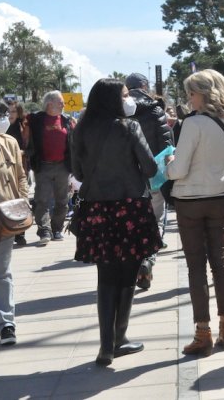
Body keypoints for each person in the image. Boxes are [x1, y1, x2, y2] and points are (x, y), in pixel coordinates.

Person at [71, 79, 161, 366]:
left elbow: (77, 172)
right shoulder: (129, 127)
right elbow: (149, 167)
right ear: (113, 100)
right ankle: (119, 338)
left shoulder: (81, 129)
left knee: (105, 277)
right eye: (124, 95)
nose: (129, 100)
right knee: (128, 275)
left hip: (98, 209)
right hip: (131, 206)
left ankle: (106, 346)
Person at [165, 69, 224, 357]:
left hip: (191, 199)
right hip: (221, 196)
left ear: (204, 93)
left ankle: (202, 332)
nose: (189, 99)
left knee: (196, 266)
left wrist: (170, 162)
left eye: (191, 93)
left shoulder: (193, 123)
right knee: (220, 261)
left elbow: (179, 169)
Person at [125, 72, 173, 289]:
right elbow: (166, 143)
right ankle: (148, 259)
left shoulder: (120, 110)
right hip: (153, 173)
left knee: (132, 223)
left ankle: (135, 263)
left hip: (126, 176)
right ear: (145, 86)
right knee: (154, 218)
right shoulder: (155, 109)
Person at [0, 96, 28, 346]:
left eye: (6, 114)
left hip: (2, 220)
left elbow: (21, 175)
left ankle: (5, 324)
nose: (4, 119)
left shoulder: (10, 142)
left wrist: (22, 201)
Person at [27, 91, 73, 245]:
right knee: (42, 200)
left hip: (63, 167)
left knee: (62, 201)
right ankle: (44, 231)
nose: (63, 104)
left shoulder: (66, 120)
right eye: (60, 102)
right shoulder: (35, 119)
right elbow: (18, 118)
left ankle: (57, 229)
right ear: (49, 104)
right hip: (43, 166)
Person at [6, 102, 29, 246]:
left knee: (20, 197)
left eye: (13, 111)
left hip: (20, 165)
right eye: (8, 111)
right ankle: (8, 229)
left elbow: (31, 147)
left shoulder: (23, 127)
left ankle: (20, 233)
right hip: (2, 167)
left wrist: (23, 152)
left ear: (18, 112)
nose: (10, 114)